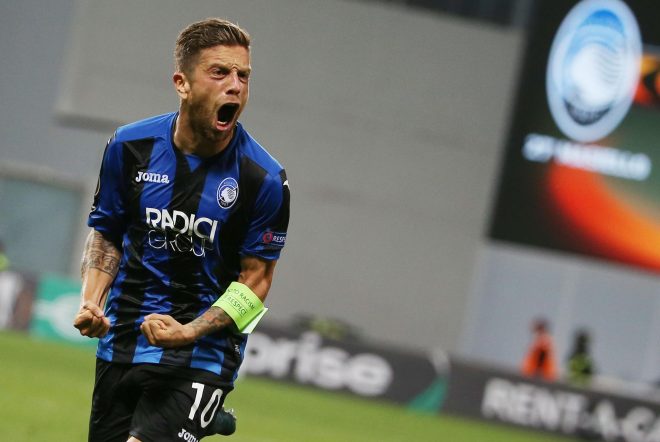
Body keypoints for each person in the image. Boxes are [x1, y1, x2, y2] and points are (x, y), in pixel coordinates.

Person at [73, 18, 290, 442]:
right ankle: (209, 420)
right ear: (182, 83)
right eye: (220, 72)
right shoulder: (129, 147)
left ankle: (202, 409)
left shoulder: (263, 179)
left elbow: (257, 281)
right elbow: (107, 233)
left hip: (203, 355)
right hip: (123, 342)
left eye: (243, 76)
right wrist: (91, 302)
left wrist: (189, 331)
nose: (235, 86)